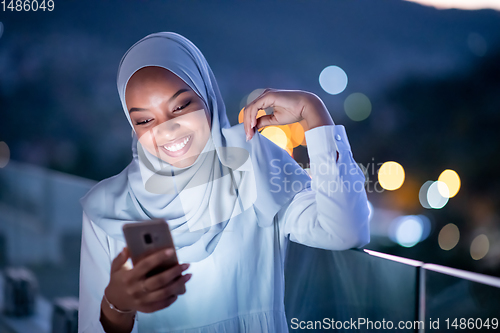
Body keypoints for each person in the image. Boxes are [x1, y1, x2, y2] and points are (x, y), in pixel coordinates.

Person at [78, 31, 370, 333]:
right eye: (144, 120)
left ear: (206, 94)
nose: (167, 129)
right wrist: (116, 306)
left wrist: (313, 112)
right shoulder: (110, 207)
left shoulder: (252, 159)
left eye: (180, 106)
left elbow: (346, 231)